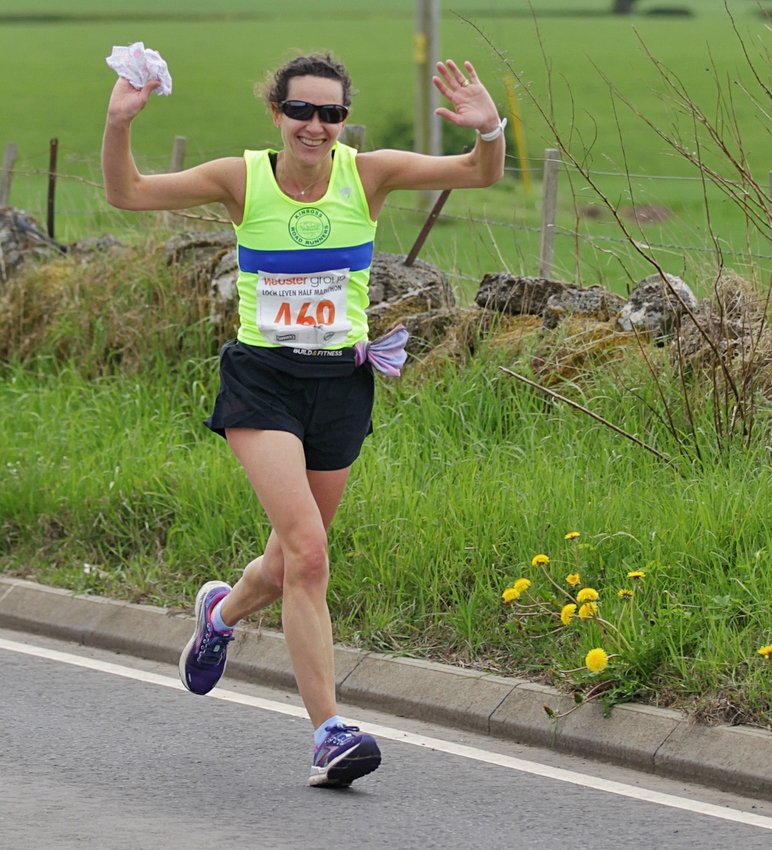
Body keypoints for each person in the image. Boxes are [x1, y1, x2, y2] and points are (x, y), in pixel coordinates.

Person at [101, 51, 505, 788]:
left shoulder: (368, 173)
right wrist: (119, 122)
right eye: (301, 112)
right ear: (277, 115)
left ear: (343, 122)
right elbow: (126, 192)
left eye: (332, 114)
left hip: (342, 383)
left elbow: (480, 174)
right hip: (264, 381)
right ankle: (330, 732)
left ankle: (220, 615)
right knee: (310, 554)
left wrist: (489, 130)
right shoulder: (242, 178)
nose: (316, 126)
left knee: (289, 562)